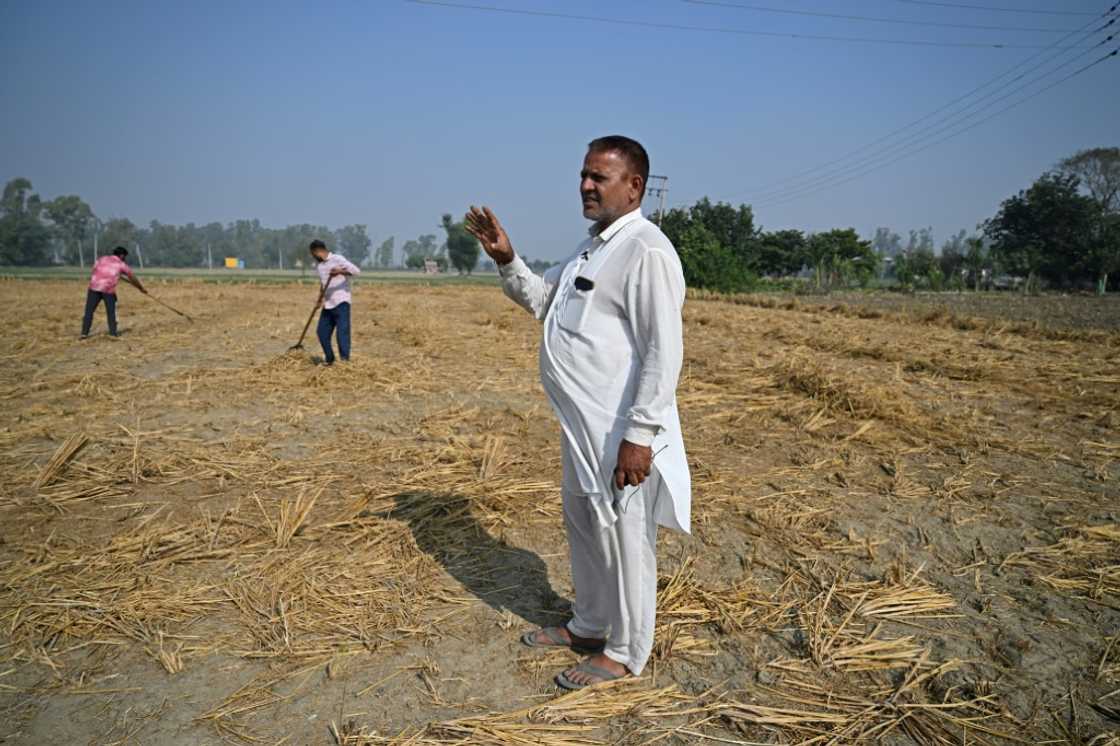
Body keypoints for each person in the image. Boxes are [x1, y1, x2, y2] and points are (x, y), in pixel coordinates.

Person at [465, 135, 690, 690]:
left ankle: (624, 651)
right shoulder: (593, 248)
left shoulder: (647, 251)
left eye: (600, 177)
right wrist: (507, 260)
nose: (586, 186)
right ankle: (589, 625)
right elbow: (548, 303)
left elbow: (664, 352)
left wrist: (639, 436)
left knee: (624, 537)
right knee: (585, 525)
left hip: (620, 432)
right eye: (584, 175)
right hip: (580, 427)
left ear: (634, 186)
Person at [309, 239, 360, 365]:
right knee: (321, 332)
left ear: (318, 251)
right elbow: (323, 284)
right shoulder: (320, 267)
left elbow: (356, 271)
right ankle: (330, 358)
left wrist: (340, 271)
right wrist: (319, 299)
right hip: (328, 304)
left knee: (342, 333)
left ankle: (344, 362)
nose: (314, 257)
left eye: (313, 254)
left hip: (342, 302)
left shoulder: (337, 259)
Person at [81, 246, 147, 339]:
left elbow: (94, 269)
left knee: (89, 311)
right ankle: (113, 333)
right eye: (125, 257)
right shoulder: (121, 264)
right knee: (111, 312)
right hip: (108, 290)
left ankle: (84, 333)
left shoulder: (102, 259)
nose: (125, 259)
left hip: (94, 287)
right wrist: (140, 288)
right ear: (122, 255)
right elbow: (132, 277)